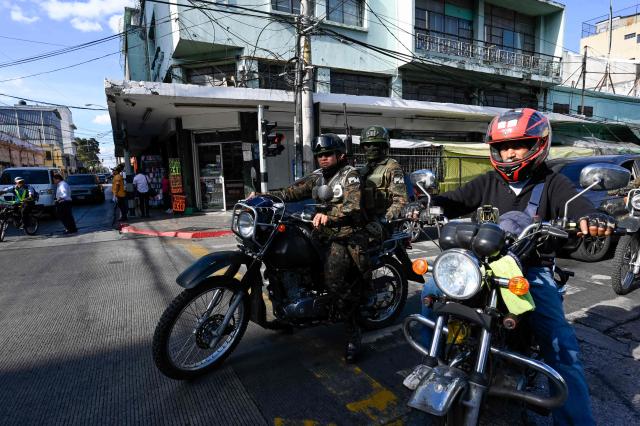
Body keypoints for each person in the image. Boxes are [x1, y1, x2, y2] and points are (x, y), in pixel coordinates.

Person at [409, 109, 611, 425]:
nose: (509, 153)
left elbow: (581, 206)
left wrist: (594, 217)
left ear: (538, 145)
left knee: (562, 348)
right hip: (482, 265)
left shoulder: (553, 183)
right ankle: (432, 358)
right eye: (503, 147)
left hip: (530, 270)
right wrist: (425, 206)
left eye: (518, 145)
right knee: (433, 288)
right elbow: (454, 200)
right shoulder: (488, 181)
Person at [252, 134, 365, 362]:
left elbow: (353, 206)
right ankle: (289, 313)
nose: (322, 159)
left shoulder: (349, 175)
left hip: (344, 235)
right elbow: (290, 192)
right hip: (319, 232)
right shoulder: (317, 178)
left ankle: (353, 332)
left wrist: (329, 215)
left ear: (340, 155)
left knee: (334, 280)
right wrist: (263, 197)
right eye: (319, 155)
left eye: (327, 154)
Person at [359, 125, 408, 222]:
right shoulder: (363, 170)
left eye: (376, 145)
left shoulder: (392, 167)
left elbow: (401, 200)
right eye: (367, 145)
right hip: (365, 219)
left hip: (383, 220)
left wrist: (387, 218)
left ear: (384, 146)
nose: (371, 148)